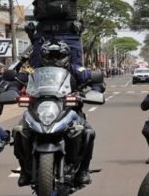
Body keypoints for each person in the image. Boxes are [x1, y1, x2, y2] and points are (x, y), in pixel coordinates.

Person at [14, 40, 104, 187]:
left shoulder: (76, 70)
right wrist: (12, 88)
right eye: (49, 56)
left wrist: (95, 91)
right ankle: (25, 170)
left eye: (58, 56)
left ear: (67, 56)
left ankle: (83, 171)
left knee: (88, 132)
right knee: (19, 131)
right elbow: (18, 79)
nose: (54, 60)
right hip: (39, 110)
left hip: (69, 111)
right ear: (42, 56)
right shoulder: (33, 70)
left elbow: (96, 82)